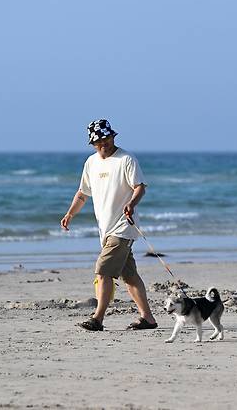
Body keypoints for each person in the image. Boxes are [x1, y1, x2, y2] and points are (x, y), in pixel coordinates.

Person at [60, 119, 157, 331]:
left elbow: (139, 187)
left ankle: (98, 318)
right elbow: (82, 194)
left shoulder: (126, 159)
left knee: (103, 271)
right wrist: (70, 214)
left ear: (113, 136)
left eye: (107, 138)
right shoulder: (91, 163)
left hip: (123, 228)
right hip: (105, 229)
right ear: (93, 143)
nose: (104, 143)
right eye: (99, 141)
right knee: (129, 276)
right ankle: (148, 318)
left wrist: (132, 203)